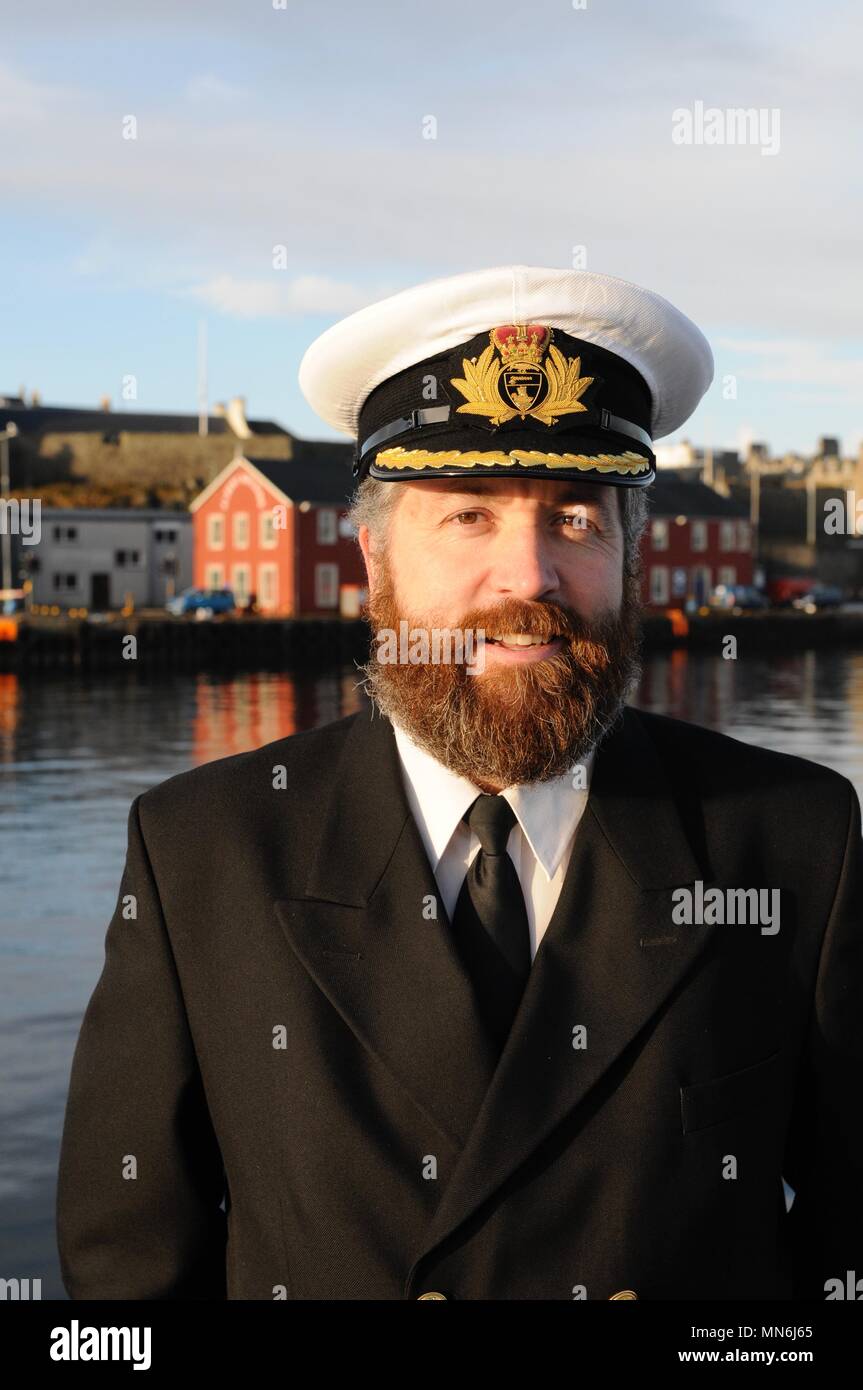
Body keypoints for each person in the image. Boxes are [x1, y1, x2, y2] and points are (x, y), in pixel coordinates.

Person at [56, 266, 863, 1301]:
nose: (527, 576)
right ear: (372, 553)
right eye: (469, 515)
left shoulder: (791, 843)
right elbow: (127, 1268)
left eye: (575, 518)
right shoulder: (200, 855)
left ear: (631, 556)